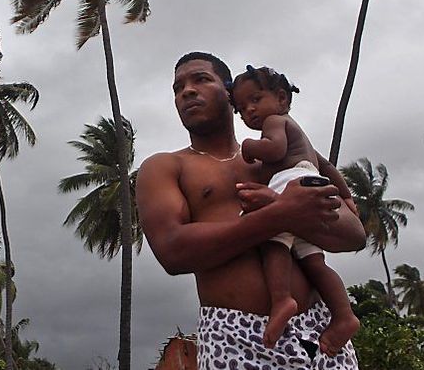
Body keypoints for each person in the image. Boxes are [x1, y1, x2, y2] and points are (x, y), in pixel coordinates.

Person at [137, 52, 366, 369]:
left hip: (321, 332)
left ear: (230, 95)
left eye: (201, 79)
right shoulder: (165, 167)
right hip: (235, 337)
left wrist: (302, 210)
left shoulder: (277, 156)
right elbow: (174, 250)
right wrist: (279, 215)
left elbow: (353, 235)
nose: (187, 91)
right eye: (178, 88)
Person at [229, 65, 361, 355]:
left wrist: (250, 147)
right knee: (315, 263)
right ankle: (344, 315)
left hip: (293, 184)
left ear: (281, 98)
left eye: (255, 99)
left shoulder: (275, 122)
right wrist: (347, 197)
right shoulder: (298, 134)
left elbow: (275, 150)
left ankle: (281, 300)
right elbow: (327, 167)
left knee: (271, 239)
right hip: (310, 185)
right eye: (241, 108)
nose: (248, 110)